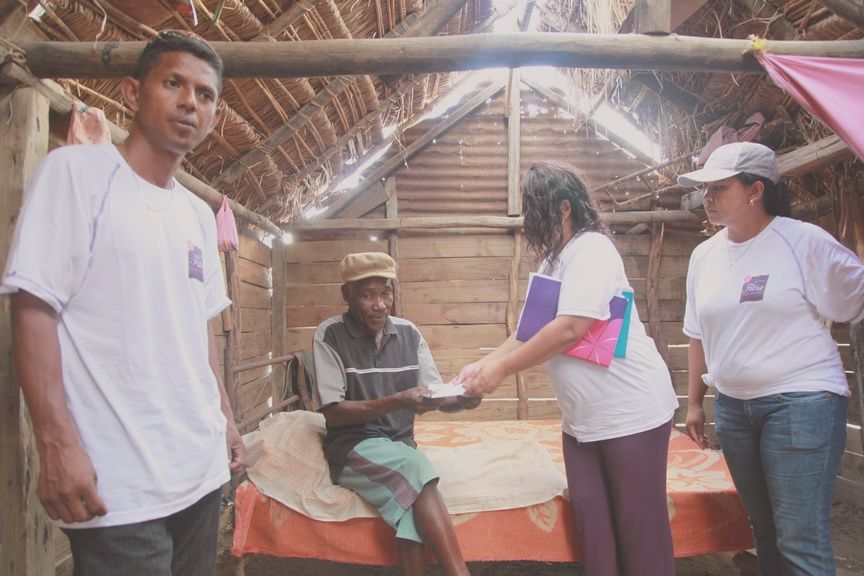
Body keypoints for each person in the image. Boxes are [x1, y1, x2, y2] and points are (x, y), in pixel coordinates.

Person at [2, 30, 243, 575]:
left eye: (205, 95)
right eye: (174, 83)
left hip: (199, 471)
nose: (190, 102)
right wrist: (56, 445)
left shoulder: (198, 216)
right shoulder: (77, 175)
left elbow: (199, 326)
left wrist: (224, 416)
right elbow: (33, 308)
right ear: (133, 94)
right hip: (119, 483)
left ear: (214, 116)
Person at [456, 162, 679, 576]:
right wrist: (482, 365)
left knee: (639, 531)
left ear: (562, 208)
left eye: (533, 209)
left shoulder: (592, 249)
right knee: (595, 529)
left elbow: (570, 328)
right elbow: (528, 332)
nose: (528, 220)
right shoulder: (552, 263)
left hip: (630, 414)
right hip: (583, 421)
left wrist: (501, 371)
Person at [679, 141, 864, 576]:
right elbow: (696, 334)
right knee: (762, 531)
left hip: (801, 404)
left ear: (755, 191)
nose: (707, 199)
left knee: (800, 536)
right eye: (704, 191)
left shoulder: (803, 242)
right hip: (733, 408)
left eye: (718, 189)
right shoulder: (703, 256)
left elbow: (851, 300)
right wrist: (693, 402)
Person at [313, 252, 480, 576]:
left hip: (401, 446)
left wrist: (462, 400)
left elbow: (431, 396)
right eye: (367, 295)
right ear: (346, 295)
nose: (379, 304)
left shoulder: (409, 333)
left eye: (385, 292)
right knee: (419, 471)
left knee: (412, 502)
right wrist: (400, 400)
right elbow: (334, 414)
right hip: (354, 447)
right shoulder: (329, 334)